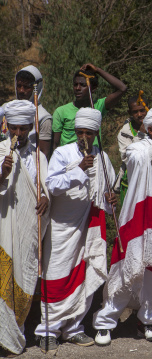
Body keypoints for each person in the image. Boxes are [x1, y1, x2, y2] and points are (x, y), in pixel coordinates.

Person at [93, 107, 152, 345]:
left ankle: (150, 321)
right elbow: (139, 162)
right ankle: (105, 323)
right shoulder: (137, 147)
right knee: (126, 271)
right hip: (140, 220)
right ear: (150, 129)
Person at [35, 108, 117, 354]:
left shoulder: (102, 158)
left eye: (89, 133)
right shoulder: (62, 153)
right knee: (57, 276)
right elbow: (53, 185)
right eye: (80, 132)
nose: (84, 137)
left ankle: (73, 328)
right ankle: (48, 330)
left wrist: (112, 200)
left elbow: (107, 191)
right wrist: (79, 168)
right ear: (74, 132)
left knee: (85, 275)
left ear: (95, 133)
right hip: (63, 228)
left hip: (89, 228)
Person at [0, 101, 50, 356]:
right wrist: (1, 174)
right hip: (3, 228)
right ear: (7, 127)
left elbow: (45, 188)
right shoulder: (0, 152)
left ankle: (13, 333)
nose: (17, 134)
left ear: (30, 127)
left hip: (26, 231)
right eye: (14, 129)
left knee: (23, 280)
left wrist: (46, 199)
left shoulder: (38, 157)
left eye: (23, 129)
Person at [52, 63, 127, 149]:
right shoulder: (61, 111)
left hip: (93, 157)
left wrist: (98, 70)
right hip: (70, 159)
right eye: (75, 84)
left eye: (83, 85)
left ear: (93, 88)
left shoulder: (98, 107)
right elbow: (55, 144)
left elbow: (122, 89)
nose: (77, 88)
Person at [0, 66, 53, 157]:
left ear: (36, 88)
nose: (21, 91)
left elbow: (44, 153)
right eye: (19, 86)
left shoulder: (43, 117)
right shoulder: (6, 108)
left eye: (26, 87)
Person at [114, 95, 148, 203]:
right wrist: (140, 135)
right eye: (135, 112)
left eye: (142, 110)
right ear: (130, 113)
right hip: (132, 181)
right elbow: (127, 158)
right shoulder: (124, 133)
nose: (139, 115)